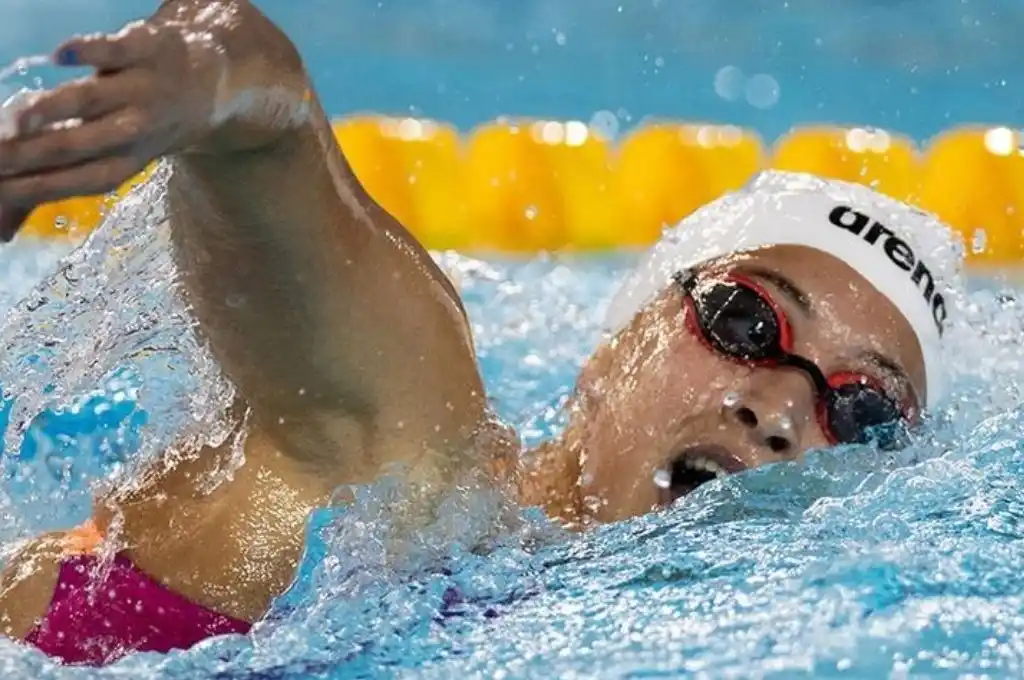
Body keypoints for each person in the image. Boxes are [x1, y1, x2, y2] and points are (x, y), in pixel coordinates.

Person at [0, 0, 961, 668]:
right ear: (611, 354)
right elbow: (271, 122)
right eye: (745, 320)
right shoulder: (409, 481)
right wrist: (219, 80)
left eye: (863, 411)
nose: (783, 409)